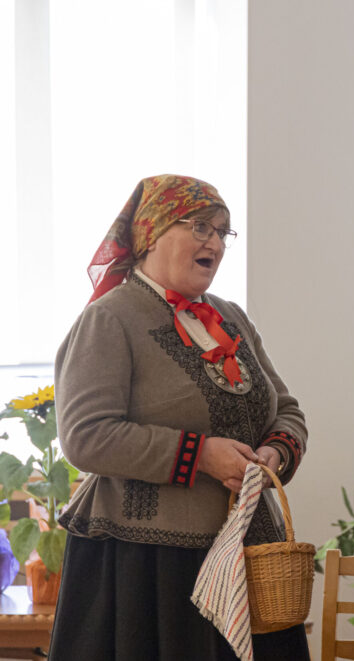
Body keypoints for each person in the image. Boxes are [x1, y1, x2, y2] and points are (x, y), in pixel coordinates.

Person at [50, 175, 309, 660]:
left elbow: (287, 410)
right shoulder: (110, 318)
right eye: (200, 227)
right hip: (150, 566)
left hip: (249, 553)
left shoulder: (232, 317)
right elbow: (86, 436)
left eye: (222, 231)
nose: (215, 242)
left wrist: (274, 453)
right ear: (151, 232)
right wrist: (201, 455)